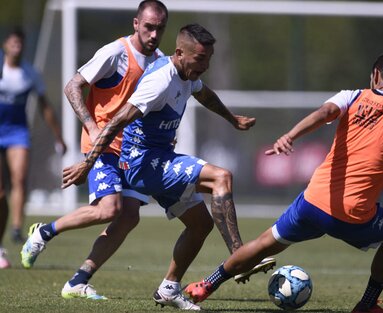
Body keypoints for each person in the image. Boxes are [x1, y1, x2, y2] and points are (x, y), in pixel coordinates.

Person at [183, 51, 383, 313]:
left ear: (375, 76)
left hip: (312, 201)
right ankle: (367, 305)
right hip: (352, 215)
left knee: (263, 243)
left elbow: (324, 114)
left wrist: (290, 136)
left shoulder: (352, 96)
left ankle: (206, 284)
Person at [61, 23, 275, 310]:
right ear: (179, 53)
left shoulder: (187, 74)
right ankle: (240, 256)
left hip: (158, 159)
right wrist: (88, 163)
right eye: (200, 59)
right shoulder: (160, 79)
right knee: (221, 176)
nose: (205, 66)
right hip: (142, 163)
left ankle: (169, 288)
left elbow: (204, 94)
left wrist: (232, 118)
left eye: (208, 59)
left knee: (201, 225)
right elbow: (118, 121)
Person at [20, 0, 169, 298]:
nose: (154, 34)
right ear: (136, 24)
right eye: (149, 27)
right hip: (102, 143)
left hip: (134, 150)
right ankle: (44, 232)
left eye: (160, 29)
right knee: (109, 209)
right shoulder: (115, 53)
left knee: (129, 217)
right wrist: (91, 125)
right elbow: (73, 86)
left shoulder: (162, 62)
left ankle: (78, 281)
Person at [0, 29, 66, 268]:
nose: (17, 46)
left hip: (17, 133)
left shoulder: (29, 73)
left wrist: (59, 136)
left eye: (21, 42)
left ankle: (17, 228)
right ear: (5, 45)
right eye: (13, 42)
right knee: (0, 192)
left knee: (19, 177)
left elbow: (45, 106)